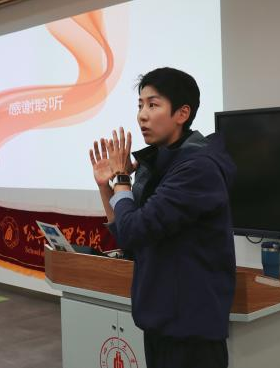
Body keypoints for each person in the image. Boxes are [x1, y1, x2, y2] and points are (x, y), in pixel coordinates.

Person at [89, 67, 236, 368]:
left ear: (182, 113)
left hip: (190, 328)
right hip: (163, 320)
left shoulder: (197, 168)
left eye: (153, 105)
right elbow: (128, 237)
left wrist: (121, 178)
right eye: (140, 105)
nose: (142, 115)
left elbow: (133, 229)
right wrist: (106, 186)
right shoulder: (161, 163)